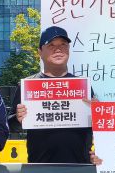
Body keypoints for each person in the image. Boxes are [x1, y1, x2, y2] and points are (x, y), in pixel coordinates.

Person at [9, 25, 93, 163]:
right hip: (40, 166)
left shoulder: (83, 86)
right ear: (40, 52)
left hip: (79, 166)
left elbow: (96, 127)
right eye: (51, 45)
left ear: (68, 49)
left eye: (63, 44)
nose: (58, 49)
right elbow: (11, 126)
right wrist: (18, 118)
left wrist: (98, 112)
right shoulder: (27, 85)